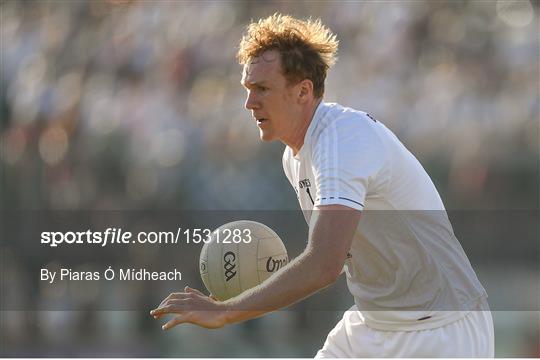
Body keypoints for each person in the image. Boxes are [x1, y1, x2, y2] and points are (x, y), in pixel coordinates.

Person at [151, 14, 494, 357]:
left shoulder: (342, 139)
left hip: (441, 330)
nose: (249, 102)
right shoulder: (295, 155)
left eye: (262, 89)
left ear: (303, 91)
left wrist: (227, 311)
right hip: (371, 325)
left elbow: (324, 264)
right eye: (248, 89)